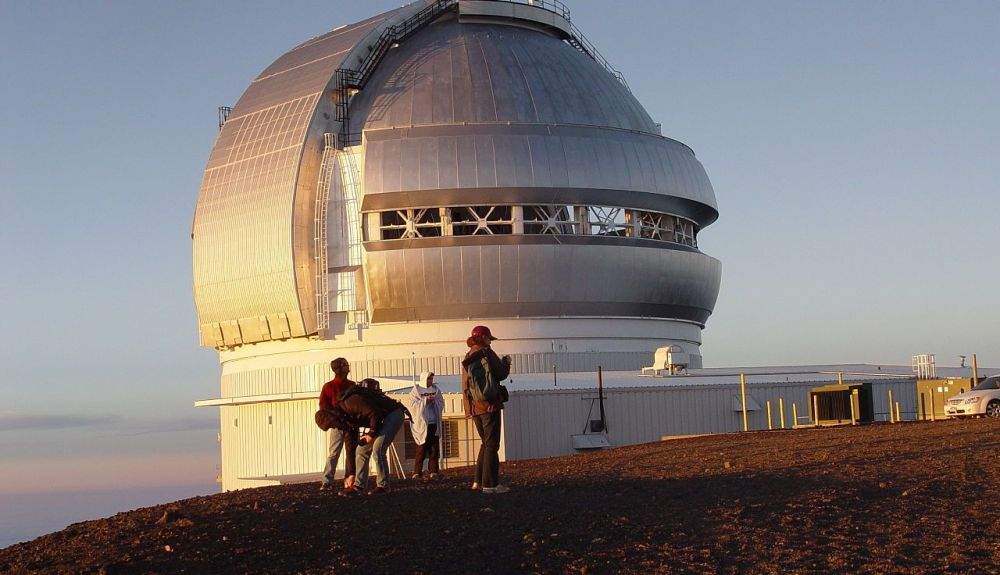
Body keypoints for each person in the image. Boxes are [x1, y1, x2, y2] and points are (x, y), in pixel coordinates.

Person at [461, 325, 511, 494]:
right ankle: (490, 485)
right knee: (492, 445)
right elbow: (501, 374)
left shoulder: (468, 356)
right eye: (489, 338)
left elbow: (467, 384)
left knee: (485, 443)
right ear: (483, 338)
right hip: (489, 404)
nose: (490, 341)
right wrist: (506, 363)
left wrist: (469, 409)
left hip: (474, 407)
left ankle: (478, 481)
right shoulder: (486, 353)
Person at [336, 380, 407, 494]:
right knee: (361, 450)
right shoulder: (348, 409)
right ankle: (359, 486)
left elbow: (375, 414)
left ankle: (383, 486)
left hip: (393, 414)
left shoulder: (352, 402)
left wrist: (371, 434)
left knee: (378, 449)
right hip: (383, 418)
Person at [318, 357, 356, 492]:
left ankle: (348, 479)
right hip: (339, 425)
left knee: (349, 453)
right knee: (335, 453)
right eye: (345, 365)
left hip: (349, 424)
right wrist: (336, 416)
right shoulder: (329, 387)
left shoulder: (351, 385)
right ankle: (327, 480)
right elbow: (323, 406)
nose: (348, 367)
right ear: (339, 368)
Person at [407, 371, 445, 479]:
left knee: (434, 448)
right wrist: (425, 402)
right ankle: (417, 472)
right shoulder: (416, 390)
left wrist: (435, 402)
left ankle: (433, 471)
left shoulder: (436, 390)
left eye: (431, 379)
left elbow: (441, 402)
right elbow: (413, 405)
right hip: (422, 425)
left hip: (433, 422)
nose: (430, 381)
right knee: (421, 448)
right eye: (428, 379)